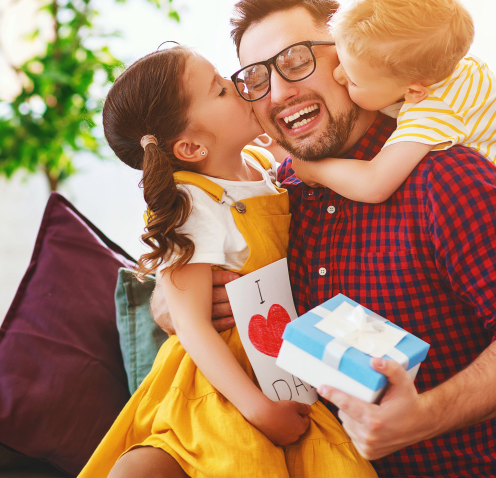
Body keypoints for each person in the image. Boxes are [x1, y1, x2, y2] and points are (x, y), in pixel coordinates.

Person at [154, 0, 496, 477]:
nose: (278, 93)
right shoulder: (279, 193)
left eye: (295, 60)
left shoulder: (449, 178)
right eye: (254, 78)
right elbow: (187, 258)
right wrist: (171, 302)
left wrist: (421, 417)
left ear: (347, 57)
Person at [78, 45, 377, 478]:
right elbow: (193, 325)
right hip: (224, 380)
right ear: (192, 146)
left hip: (281, 363)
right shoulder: (192, 202)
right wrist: (258, 409)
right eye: (220, 89)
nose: (238, 85)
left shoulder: (259, 164)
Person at [281, 0, 496, 247]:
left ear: (414, 92)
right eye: (341, 61)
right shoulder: (440, 61)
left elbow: (374, 183)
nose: (338, 75)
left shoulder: (434, 109)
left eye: (353, 80)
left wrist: (314, 170)